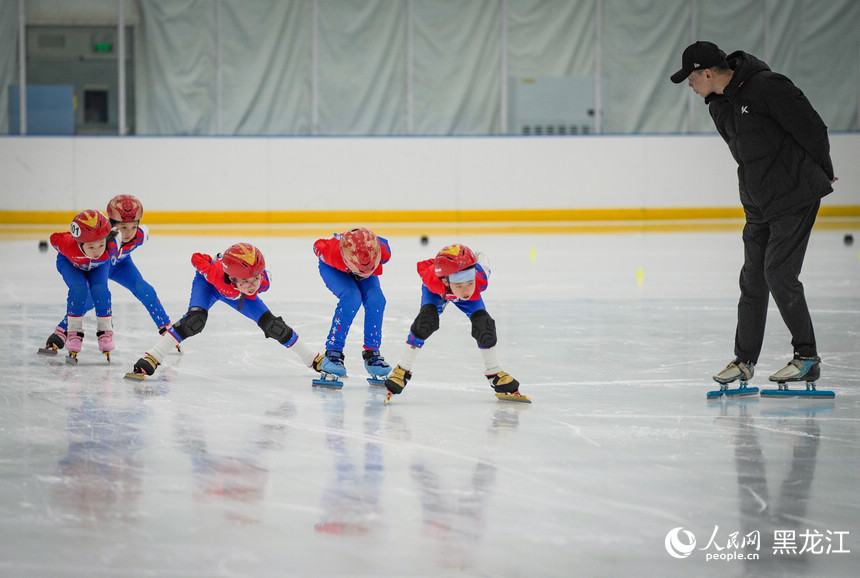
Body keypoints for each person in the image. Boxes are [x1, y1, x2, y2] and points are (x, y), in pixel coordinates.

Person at [670, 41, 836, 386]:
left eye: (690, 78)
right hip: (758, 202)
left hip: (795, 193)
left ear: (707, 72)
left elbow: (812, 127)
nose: (689, 85)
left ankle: (806, 357)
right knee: (752, 280)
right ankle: (744, 361)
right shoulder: (718, 105)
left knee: (779, 274)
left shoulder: (767, 86)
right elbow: (746, 156)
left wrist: (824, 169)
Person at [127, 242, 335, 379]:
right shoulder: (215, 273)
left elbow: (252, 284)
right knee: (194, 321)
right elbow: (196, 257)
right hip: (209, 287)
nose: (253, 284)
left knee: (273, 326)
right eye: (246, 280)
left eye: (256, 277)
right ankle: (152, 357)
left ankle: (312, 358)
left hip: (236, 295)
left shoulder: (261, 283)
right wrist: (211, 262)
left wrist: (245, 285)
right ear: (232, 277)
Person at [384, 243, 528, 402]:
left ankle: (494, 373)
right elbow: (423, 266)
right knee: (424, 324)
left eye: (469, 283)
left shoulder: (480, 279)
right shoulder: (433, 280)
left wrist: (468, 281)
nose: (465, 290)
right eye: (459, 285)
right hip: (437, 293)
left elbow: (481, 257)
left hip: (463, 288)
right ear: (446, 281)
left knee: (484, 327)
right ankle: (402, 370)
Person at [42, 194, 173, 353]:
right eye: (123, 227)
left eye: (133, 227)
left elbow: (144, 232)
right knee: (91, 297)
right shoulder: (104, 241)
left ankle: (166, 328)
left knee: (143, 288)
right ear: (111, 225)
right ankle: (63, 330)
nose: (128, 233)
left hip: (121, 265)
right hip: (101, 265)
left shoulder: (140, 235)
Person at [313, 227, 391, 379]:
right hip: (334, 268)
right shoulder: (331, 253)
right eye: (361, 272)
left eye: (372, 268)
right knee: (351, 297)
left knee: (376, 299)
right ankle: (333, 353)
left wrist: (365, 269)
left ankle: (372, 353)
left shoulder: (383, 252)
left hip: (359, 261)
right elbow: (317, 244)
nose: (366, 275)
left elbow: (367, 267)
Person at [43, 210, 119, 360]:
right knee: (79, 289)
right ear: (79, 242)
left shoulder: (112, 247)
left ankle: (105, 333)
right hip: (70, 264)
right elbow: (54, 238)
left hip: (97, 267)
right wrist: (72, 235)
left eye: (101, 245)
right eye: (91, 247)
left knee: (100, 290)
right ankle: (74, 334)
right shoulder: (67, 245)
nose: (97, 251)